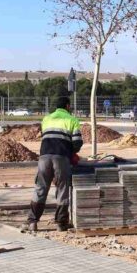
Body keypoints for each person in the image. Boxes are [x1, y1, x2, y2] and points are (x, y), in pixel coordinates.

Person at [27, 96, 82, 232]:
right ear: (67, 106)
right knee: (62, 189)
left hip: (44, 157)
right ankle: (60, 223)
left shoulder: (46, 119)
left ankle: (32, 222)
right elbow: (76, 142)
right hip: (61, 157)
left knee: (41, 188)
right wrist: (72, 153)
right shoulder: (72, 120)